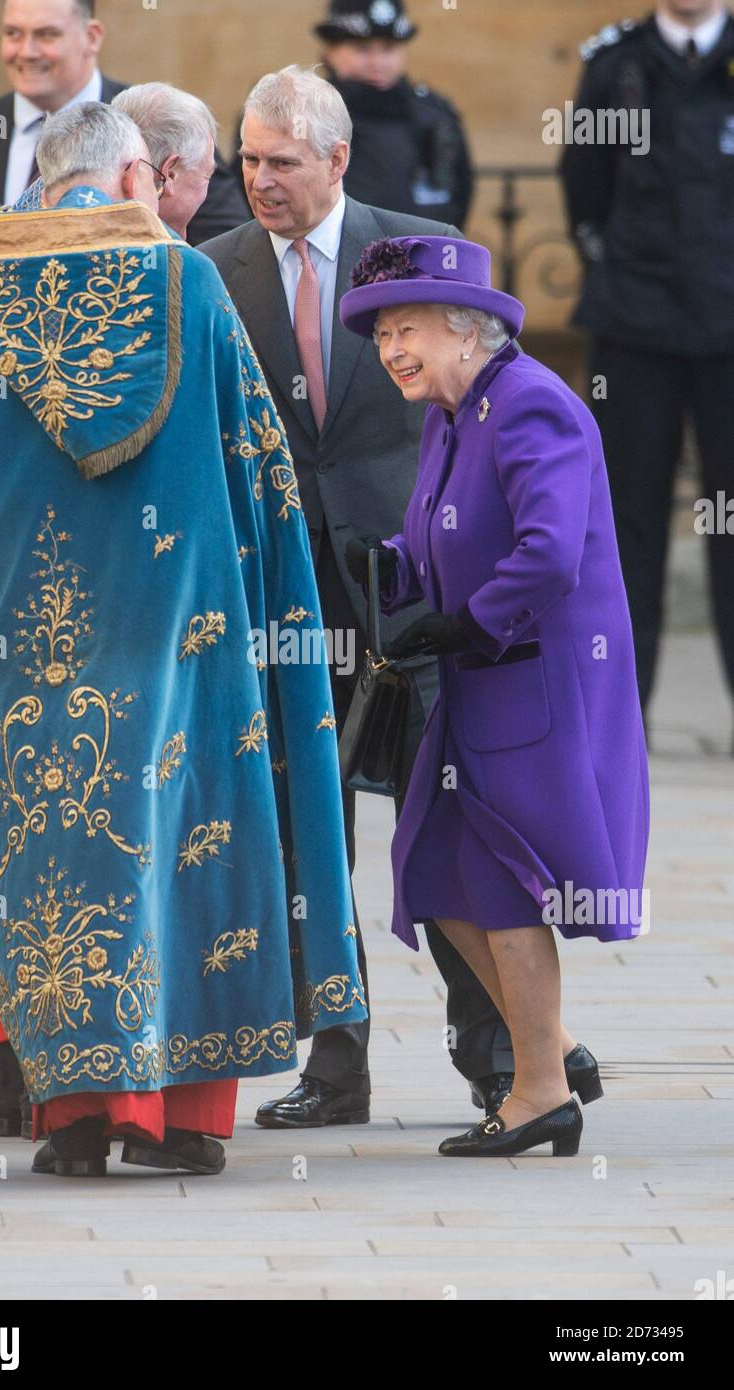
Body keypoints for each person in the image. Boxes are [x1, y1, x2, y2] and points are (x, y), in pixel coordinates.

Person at [0, 101, 366, 1177]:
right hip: (180, 628)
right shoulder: (188, 282)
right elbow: (259, 465)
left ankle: (70, 1121)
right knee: (180, 839)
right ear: (131, 179)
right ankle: (169, 1124)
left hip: (22, 638)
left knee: (50, 846)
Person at [200, 65, 514, 1130]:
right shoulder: (215, 268)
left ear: (337, 160)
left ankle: (502, 1053)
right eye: (246, 160)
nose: (258, 180)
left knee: (441, 820)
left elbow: (489, 401)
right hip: (281, 593)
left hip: (409, 586)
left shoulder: (413, 250)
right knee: (308, 830)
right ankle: (336, 1065)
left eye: (280, 162)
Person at [340, 235, 649, 1157]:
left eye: (407, 329)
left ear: (465, 330)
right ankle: (548, 1052)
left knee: (500, 875)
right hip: (485, 678)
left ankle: (541, 1089)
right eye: (383, 333)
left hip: (533, 682)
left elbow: (549, 553)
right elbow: (436, 534)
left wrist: (468, 624)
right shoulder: (453, 410)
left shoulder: (528, 408)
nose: (391, 349)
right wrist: (383, 574)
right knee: (433, 863)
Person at [0, 0, 246, 496]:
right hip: (2, 437)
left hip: (133, 421)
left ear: (91, 36)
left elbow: (228, 248)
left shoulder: (148, 116)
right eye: (12, 33)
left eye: (45, 35)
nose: (25, 51)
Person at [560, 2, 734, 729]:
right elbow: (584, 187)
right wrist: (620, 271)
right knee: (627, 525)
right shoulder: (614, 63)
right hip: (637, 329)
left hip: (730, 331)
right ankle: (621, 717)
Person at [312, 0, 473, 225]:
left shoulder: (434, 116)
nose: (377, 63)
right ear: (330, 51)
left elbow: (458, 197)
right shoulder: (307, 114)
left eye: (388, 49)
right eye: (362, 49)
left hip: (422, 255)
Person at [111, 84, 224, 242]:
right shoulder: (194, 265)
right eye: (207, 176)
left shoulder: (72, 227)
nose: (208, 189)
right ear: (170, 174)